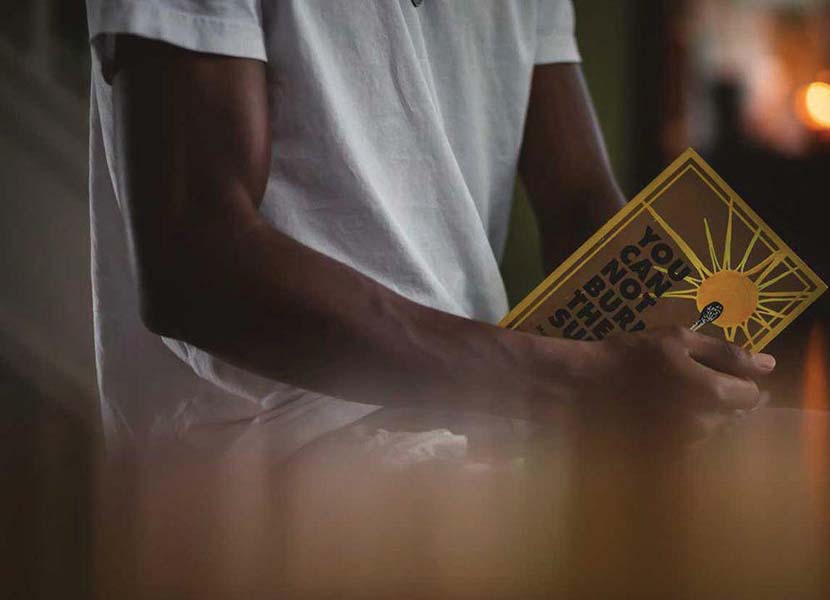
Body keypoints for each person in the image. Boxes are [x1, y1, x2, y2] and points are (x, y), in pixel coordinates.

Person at [86, 0, 774, 456]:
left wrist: (696, 356)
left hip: (482, 418)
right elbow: (198, 263)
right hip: (270, 450)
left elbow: (578, 197)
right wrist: (578, 382)